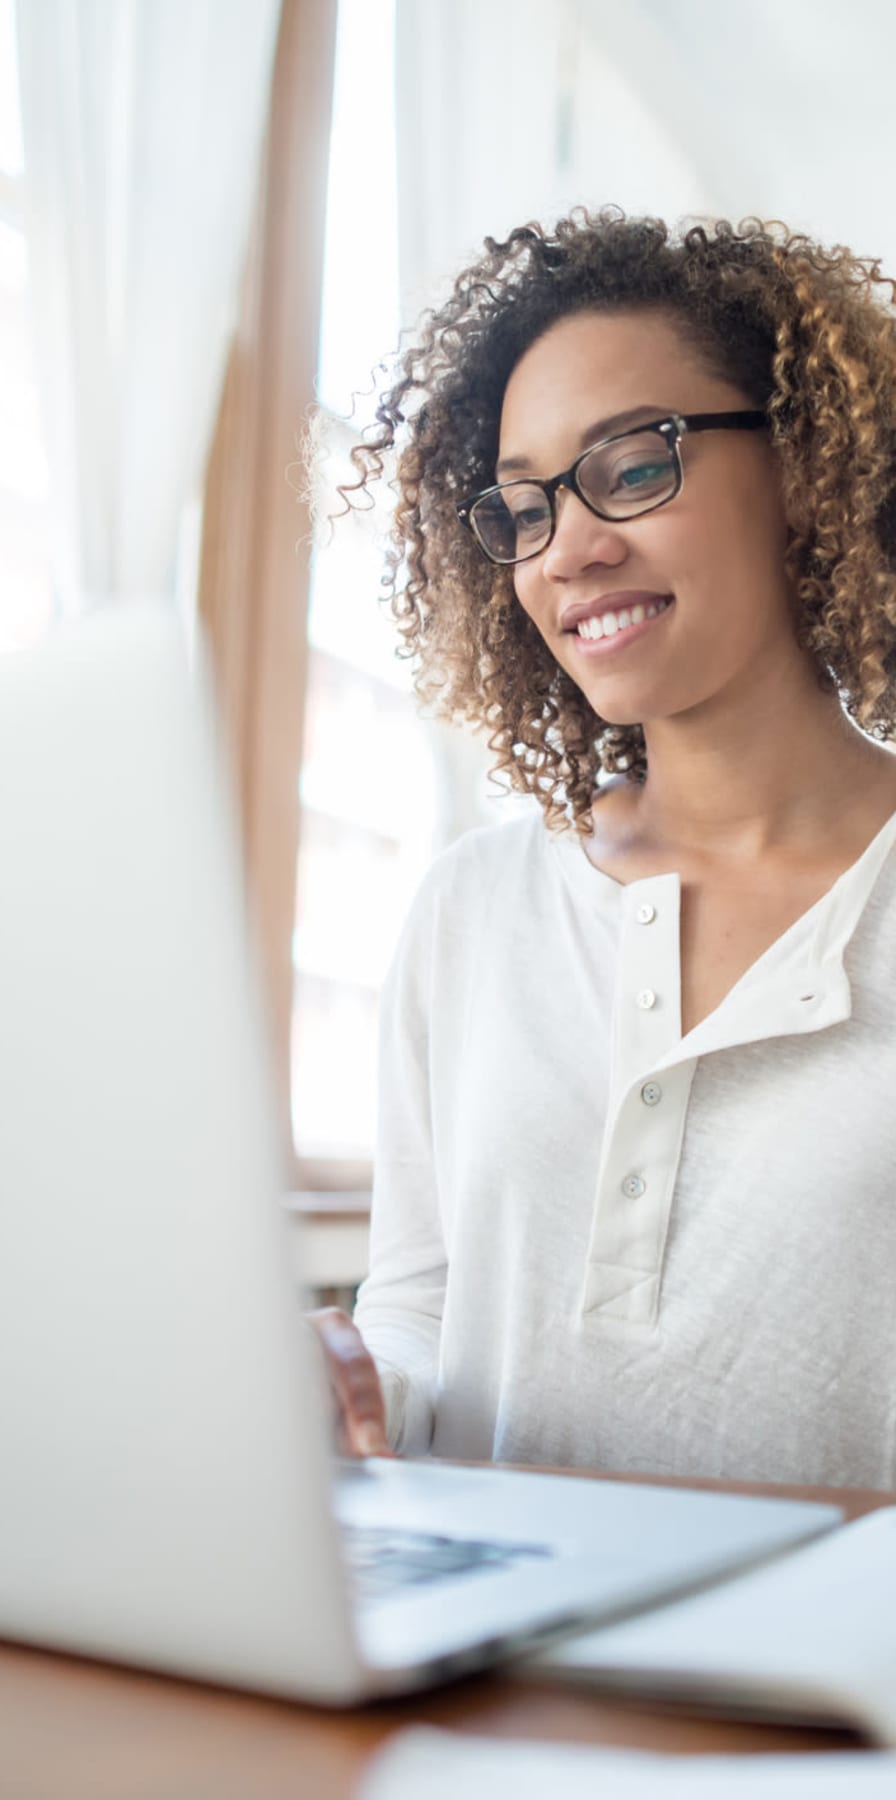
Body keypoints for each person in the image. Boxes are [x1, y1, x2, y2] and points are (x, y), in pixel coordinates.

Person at [310, 208, 896, 1488]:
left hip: (836, 1683)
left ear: (804, 469)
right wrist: (349, 1386)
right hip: (486, 1667)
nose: (567, 548)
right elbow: (421, 1308)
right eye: (522, 506)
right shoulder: (473, 910)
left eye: (632, 467)